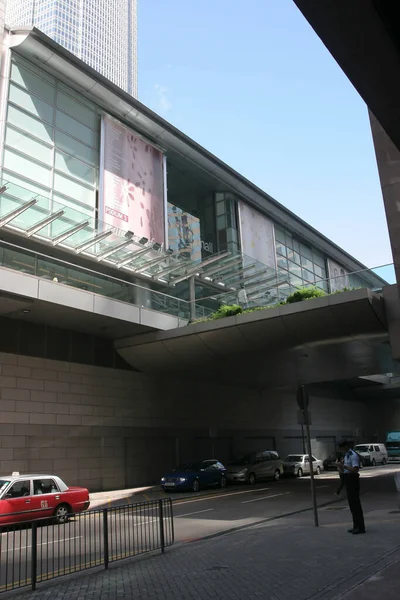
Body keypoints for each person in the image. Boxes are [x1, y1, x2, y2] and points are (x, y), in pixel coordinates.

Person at [337, 441, 365, 534]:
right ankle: (355, 525)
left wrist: (344, 466)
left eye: (340, 447)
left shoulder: (353, 455)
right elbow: (344, 469)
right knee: (352, 504)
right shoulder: (346, 455)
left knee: (355, 503)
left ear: (345, 447)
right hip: (348, 478)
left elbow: (355, 469)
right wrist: (340, 467)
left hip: (353, 479)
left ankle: (360, 527)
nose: (340, 450)